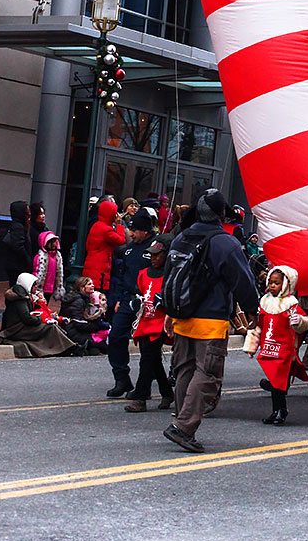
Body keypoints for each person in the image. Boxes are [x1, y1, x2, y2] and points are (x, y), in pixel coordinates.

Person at [163, 190, 258, 454]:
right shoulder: (225, 243)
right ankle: (183, 427)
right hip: (211, 319)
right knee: (208, 375)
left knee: (185, 370)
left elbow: (170, 277)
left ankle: (182, 419)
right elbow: (243, 280)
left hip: (182, 314)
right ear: (221, 214)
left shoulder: (181, 237)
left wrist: (170, 312)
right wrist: (252, 310)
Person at [104, 207, 157, 398]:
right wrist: (119, 299)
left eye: (135, 231)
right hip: (128, 299)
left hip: (148, 300)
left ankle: (146, 385)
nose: (131, 234)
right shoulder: (128, 251)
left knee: (147, 345)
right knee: (116, 335)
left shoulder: (155, 248)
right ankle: (121, 378)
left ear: (146, 231)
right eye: (131, 230)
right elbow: (121, 275)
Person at [249, 265, 308, 425]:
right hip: (268, 347)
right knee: (275, 382)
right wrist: (252, 345)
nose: (272, 286)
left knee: (279, 382)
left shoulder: (290, 303)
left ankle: (280, 411)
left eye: (276, 283)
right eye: (270, 282)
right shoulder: (265, 301)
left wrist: (299, 322)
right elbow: (259, 325)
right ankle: (278, 410)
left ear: (285, 285)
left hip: (283, 348)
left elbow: (305, 322)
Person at [124, 236, 174, 412]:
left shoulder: (170, 275)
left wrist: (165, 303)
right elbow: (138, 293)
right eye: (151, 255)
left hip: (161, 322)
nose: (153, 258)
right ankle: (167, 392)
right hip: (145, 321)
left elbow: (175, 298)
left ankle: (140, 398)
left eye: (157, 255)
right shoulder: (143, 274)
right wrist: (135, 302)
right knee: (153, 360)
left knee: (147, 359)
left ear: (165, 255)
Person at [0, 273, 75, 357]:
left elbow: (29, 311)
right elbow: (27, 318)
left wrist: (38, 304)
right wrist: (40, 318)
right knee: (49, 327)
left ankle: (69, 347)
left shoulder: (24, 296)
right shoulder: (20, 299)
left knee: (52, 325)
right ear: (28, 285)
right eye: (34, 285)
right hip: (16, 329)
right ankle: (68, 348)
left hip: (20, 326)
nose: (36, 287)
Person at [83, 200, 126, 298]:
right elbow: (121, 240)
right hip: (100, 269)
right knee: (98, 297)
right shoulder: (106, 230)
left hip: (91, 265)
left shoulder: (96, 225)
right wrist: (119, 225)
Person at [60, 276, 110, 352]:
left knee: (97, 348)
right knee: (102, 346)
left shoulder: (83, 298)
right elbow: (78, 323)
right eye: (89, 284)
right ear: (82, 288)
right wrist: (98, 326)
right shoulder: (79, 301)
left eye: (92, 284)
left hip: (76, 329)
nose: (93, 286)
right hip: (72, 331)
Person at [1, 200, 32, 287]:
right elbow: (18, 246)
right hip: (18, 266)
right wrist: (27, 260)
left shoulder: (16, 225)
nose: (29, 212)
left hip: (15, 265)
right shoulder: (18, 227)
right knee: (18, 289)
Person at [32, 231, 66, 309]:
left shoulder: (57, 256)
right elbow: (36, 271)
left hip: (51, 285)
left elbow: (58, 272)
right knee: (38, 304)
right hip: (42, 286)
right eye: (52, 242)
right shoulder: (40, 257)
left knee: (46, 303)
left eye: (55, 242)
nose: (54, 244)